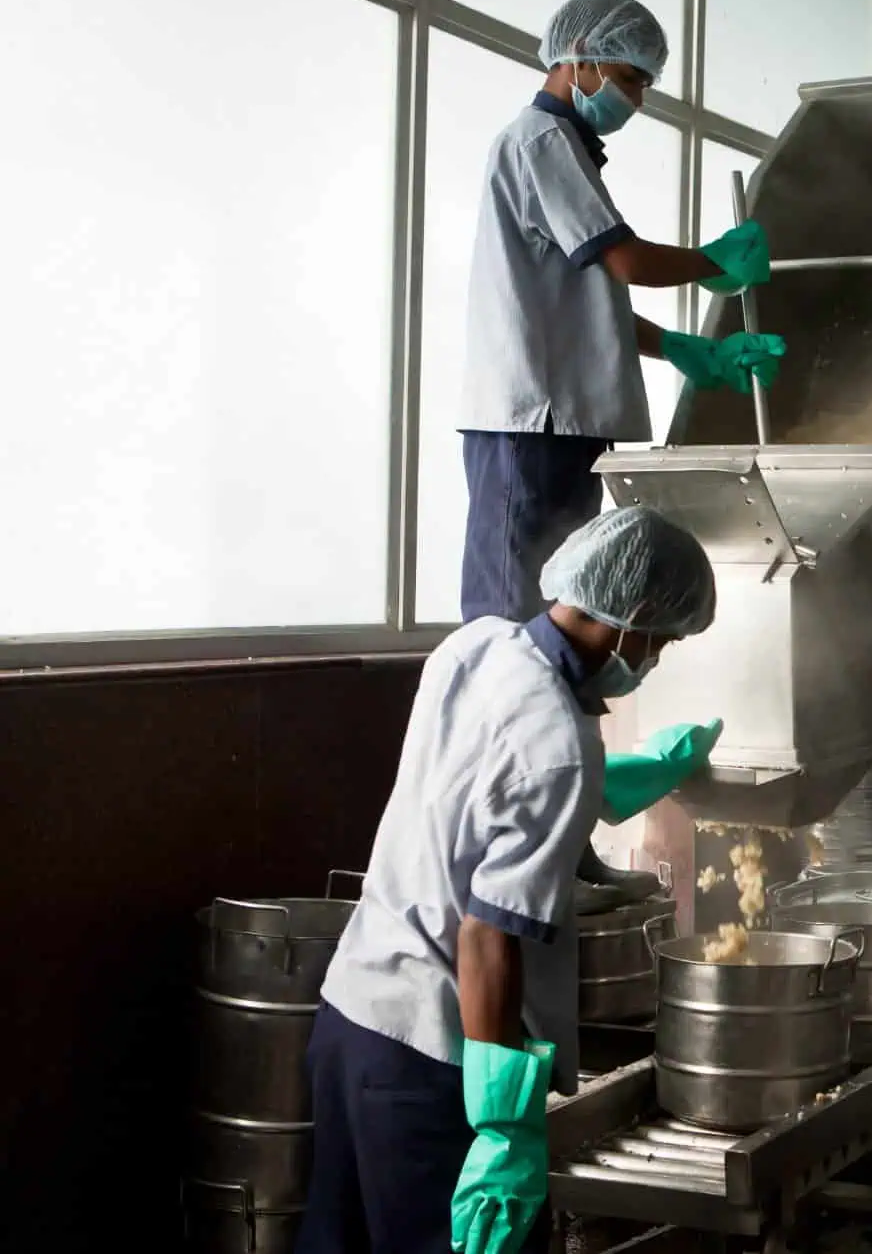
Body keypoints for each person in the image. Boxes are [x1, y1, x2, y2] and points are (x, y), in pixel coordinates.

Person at [300, 506, 719, 1254]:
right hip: (431, 1060)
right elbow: (487, 935)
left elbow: (479, 788)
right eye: (666, 640)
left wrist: (632, 774)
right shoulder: (559, 745)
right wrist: (501, 1125)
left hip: (350, 1021)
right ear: (639, 616)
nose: (658, 658)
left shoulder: (474, 647)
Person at [459, 0, 781, 625]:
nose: (636, 99)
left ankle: (554, 725)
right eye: (630, 78)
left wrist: (688, 350)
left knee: (560, 609)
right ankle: (499, 725)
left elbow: (588, 308)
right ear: (581, 57)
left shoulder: (566, 148)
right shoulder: (541, 140)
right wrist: (713, 260)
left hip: (563, 422)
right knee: (510, 619)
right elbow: (628, 262)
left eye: (644, 86)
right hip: (530, 423)